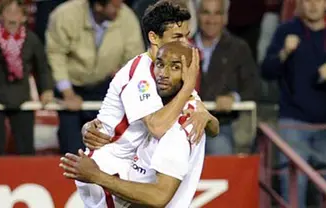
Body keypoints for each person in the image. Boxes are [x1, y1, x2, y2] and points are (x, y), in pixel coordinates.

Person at [60, 1, 219, 207]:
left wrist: (207, 117)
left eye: (187, 36)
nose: (185, 43)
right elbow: (157, 127)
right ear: (154, 38)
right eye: (178, 37)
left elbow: (212, 128)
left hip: (131, 167)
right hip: (107, 164)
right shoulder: (141, 74)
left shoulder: (168, 72)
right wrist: (189, 87)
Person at [261, 0, 326, 207]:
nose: (312, 4)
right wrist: (284, 53)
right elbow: (266, 71)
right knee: (293, 187)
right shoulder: (286, 31)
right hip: (293, 122)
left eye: (318, 0)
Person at [45, 0, 145, 154]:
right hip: (70, 87)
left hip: (105, 87)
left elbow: (135, 60)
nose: (120, 10)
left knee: (105, 148)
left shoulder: (127, 17)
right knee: (72, 149)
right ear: (99, 6)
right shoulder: (65, 15)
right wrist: (68, 93)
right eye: (115, 6)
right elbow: (55, 54)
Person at [194, 0, 260, 155]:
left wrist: (234, 98)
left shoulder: (239, 48)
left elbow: (253, 87)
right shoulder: (183, 46)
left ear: (226, 18)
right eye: (206, 13)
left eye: (217, 13)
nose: (211, 20)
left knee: (220, 148)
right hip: (184, 124)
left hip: (221, 124)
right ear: (197, 15)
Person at [0, 0, 53, 155]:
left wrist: (46, 89)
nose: (13, 17)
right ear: (0, 16)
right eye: (8, 12)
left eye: (17, 13)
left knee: (26, 148)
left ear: (24, 18)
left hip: (22, 98)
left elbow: (42, 68)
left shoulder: (32, 39)